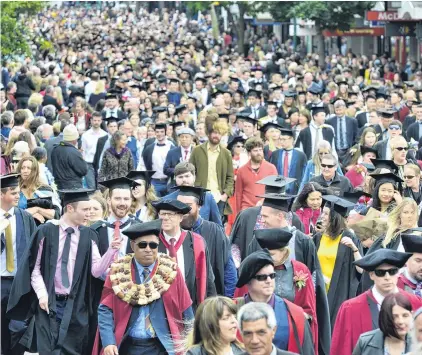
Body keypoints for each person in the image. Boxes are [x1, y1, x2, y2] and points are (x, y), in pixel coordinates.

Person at [6, 189, 121, 355]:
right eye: (85, 209)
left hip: (75, 305)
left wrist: (110, 251)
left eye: (91, 210)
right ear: (70, 208)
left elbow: (96, 271)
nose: (90, 214)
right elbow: (35, 268)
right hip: (49, 304)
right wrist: (42, 294)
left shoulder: (89, 235)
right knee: (46, 349)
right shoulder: (46, 231)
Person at [93, 220, 194, 355]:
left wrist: (192, 343)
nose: (148, 249)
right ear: (132, 246)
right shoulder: (118, 272)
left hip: (163, 346)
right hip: (127, 345)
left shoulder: (170, 271)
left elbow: (186, 309)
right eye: (142, 245)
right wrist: (108, 342)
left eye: (153, 245)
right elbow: (105, 310)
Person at [331, 249, 422, 355]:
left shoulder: (416, 303)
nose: (387, 277)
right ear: (371, 275)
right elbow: (341, 348)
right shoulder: (350, 308)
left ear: (398, 273)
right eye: (380, 273)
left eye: (392, 271)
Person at [252, 228, 320, 355]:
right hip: (259, 330)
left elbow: (309, 310)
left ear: (284, 252)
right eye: (264, 253)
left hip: (290, 333)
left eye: (271, 254)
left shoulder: (300, 270)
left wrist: (291, 317)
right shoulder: (257, 269)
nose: (267, 258)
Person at [234, 250, 315, 354]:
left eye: (272, 276)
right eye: (262, 277)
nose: (269, 280)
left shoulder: (295, 315)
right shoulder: (230, 312)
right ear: (248, 282)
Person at [152, 198, 217, 308]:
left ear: (181, 217)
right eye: (162, 214)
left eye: (171, 214)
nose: (166, 218)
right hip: (160, 307)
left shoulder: (196, 242)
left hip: (190, 306)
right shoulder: (152, 243)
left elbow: (208, 279)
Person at [176, 185, 237, 298]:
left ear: (199, 206)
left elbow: (228, 269)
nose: (183, 210)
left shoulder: (214, 231)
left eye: (188, 206)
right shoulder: (172, 232)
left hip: (210, 298)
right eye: (179, 205)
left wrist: (229, 300)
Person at [1, 174, 37, 355]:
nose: (18, 196)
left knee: (18, 327)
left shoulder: (25, 218)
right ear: (1, 194)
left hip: (19, 281)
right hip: (0, 281)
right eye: (13, 192)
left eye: (18, 192)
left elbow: (33, 249)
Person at [314, 195, 363, 327]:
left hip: (338, 293)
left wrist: (354, 249)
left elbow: (361, 270)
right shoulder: (318, 237)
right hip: (318, 292)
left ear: (335, 217)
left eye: (326, 213)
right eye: (322, 212)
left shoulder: (349, 238)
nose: (322, 216)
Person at [190, 110, 234, 218]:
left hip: (219, 198)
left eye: (219, 133)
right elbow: (191, 173)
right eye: (214, 132)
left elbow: (230, 177)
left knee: (218, 229)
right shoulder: (197, 151)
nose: (216, 136)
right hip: (201, 197)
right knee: (200, 227)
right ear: (208, 133)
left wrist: (225, 195)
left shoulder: (226, 153)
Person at [235, 137, 277, 213]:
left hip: (266, 209)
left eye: (260, 150)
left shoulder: (271, 168)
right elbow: (238, 194)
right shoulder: (241, 171)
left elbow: (275, 191)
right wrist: (239, 214)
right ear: (249, 153)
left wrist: (262, 201)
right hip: (247, 209)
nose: (259, 153)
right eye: (255, 150)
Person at [16, 156, 60, 224]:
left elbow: (56, 214)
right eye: (23, 168)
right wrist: (30, 214)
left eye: (29, 168)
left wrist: (37, 209)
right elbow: (10, 213)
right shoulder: (16, 191)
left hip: (41, 229)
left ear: (35, 170)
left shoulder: (45, 190)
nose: (25, 171)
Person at [269, 128, 307, 194]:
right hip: (278, 189)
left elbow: (304, 174)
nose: (281, 142)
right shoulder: (275, 154)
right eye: (280, 139)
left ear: (292, 139)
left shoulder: (301, 155)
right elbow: (271, 172)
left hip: (295, 190)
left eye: (284, 139)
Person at [51, 123, 88, 190]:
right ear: (74, 139)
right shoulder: (74, 152)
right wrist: (82, 157)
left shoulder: (55, 149)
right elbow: (83, 170)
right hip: (73, 188)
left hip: (59, 187)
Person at [142, 122, 175, 197]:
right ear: (155, 133)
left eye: (162, 132)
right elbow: (143, 164)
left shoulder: (172, 146)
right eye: (157, 132)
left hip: (169, 182)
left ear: (165, 132)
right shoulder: (149, 148)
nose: (159, 134)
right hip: (154, 182)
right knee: (155, 205)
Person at [326, 99, 359, 164]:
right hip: (335, 151)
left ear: (345, 109)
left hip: (348, 151)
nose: (338, 112)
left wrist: (354, 148)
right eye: (336, 110)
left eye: (340, 110)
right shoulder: (329, 121)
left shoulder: (352, 121)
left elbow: (356, 136)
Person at [81, 112, 107, 189]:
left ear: (101, 121)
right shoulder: (85, 135)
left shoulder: (105, 134)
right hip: (89, 163)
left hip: (101, 163)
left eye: (98, 120)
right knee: (91, 187)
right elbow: (83, 151)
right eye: (95, 120)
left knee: (101, 186)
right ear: (91, 121)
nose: (96, 122)